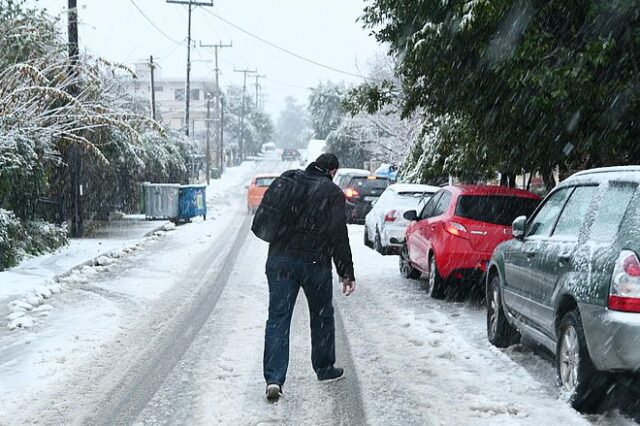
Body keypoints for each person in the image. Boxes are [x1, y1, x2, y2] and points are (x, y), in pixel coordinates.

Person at [263, 153, 356, 401]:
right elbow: (338, 235)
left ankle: (274, 378)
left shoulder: (290, 181)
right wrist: (346, 271)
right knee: (322, 315)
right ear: (332, 170)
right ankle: (324, 368)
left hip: (280, 260)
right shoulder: (331, 193)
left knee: (278, 319)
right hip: (315, 263)